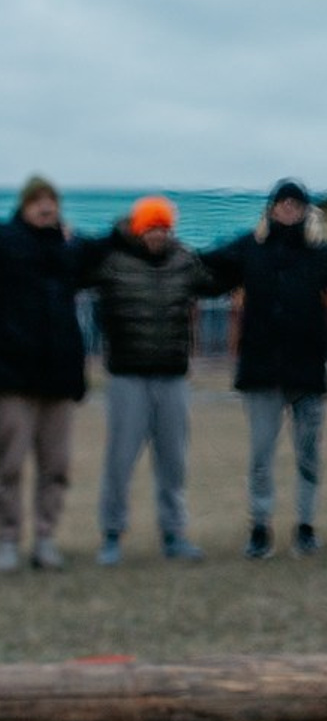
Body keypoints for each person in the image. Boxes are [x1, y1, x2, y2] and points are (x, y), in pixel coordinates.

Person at [201, 179, 327, 560]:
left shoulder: (318, 254)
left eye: (296, 205)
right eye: (282, 204)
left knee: (308, 455)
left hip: (308, 371)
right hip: (262, 371)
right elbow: (210, 265)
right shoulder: (251, 249)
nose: (289, 211)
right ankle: (260, 527)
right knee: (261, 456)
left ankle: (306, 525)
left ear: (305, 211)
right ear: (271, 208)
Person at [86, 195, 220, 565]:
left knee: (173, 460)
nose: (157, 235)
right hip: (127, 376)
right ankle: (112, 535)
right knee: (120, 459)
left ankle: (174, 533)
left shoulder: (184, 261)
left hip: (172, 376)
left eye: (163, 227)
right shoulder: (111, 263)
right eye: (150, 228)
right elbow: (76, 268)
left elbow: (216, 279)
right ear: (137, 229)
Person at [0, 176, 89, 571]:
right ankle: (6, 539)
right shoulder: (5, 242)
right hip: (12, 376)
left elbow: (102, 254)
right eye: (38, 200)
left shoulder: (69, 247)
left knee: (56, 465)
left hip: (59, 376)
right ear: (24, 205)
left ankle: (46, 538)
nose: (45, 207)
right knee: (9, 464)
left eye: (51, 200)